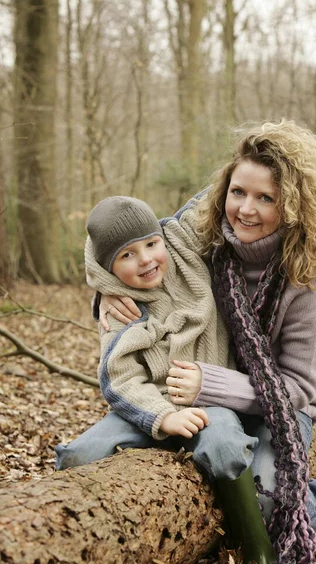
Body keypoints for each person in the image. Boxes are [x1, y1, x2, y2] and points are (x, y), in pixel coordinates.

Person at [99, 120, 316, 561]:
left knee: (264, 495)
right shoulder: (205, 234)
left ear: (296, 207)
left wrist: (212, 383)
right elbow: (134, 247)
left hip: (281, 410)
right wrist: (107, 289)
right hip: (210, 403)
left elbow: (298, 388)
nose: (245, 209)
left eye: (266, 198)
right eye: (238, 191)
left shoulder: (310, 281)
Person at [55, 195, 276, 564]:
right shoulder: (120, 307)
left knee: (224, 446)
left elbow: (222, 190)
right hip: (151, 405)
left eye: (150, 244)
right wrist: (163, 417)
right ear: (108, 267)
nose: (145, 260)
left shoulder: (182, 242)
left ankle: (258, 549)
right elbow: (119, 381)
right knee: (78, 456)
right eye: (126, 255)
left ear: (161, 235)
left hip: (211, 395)